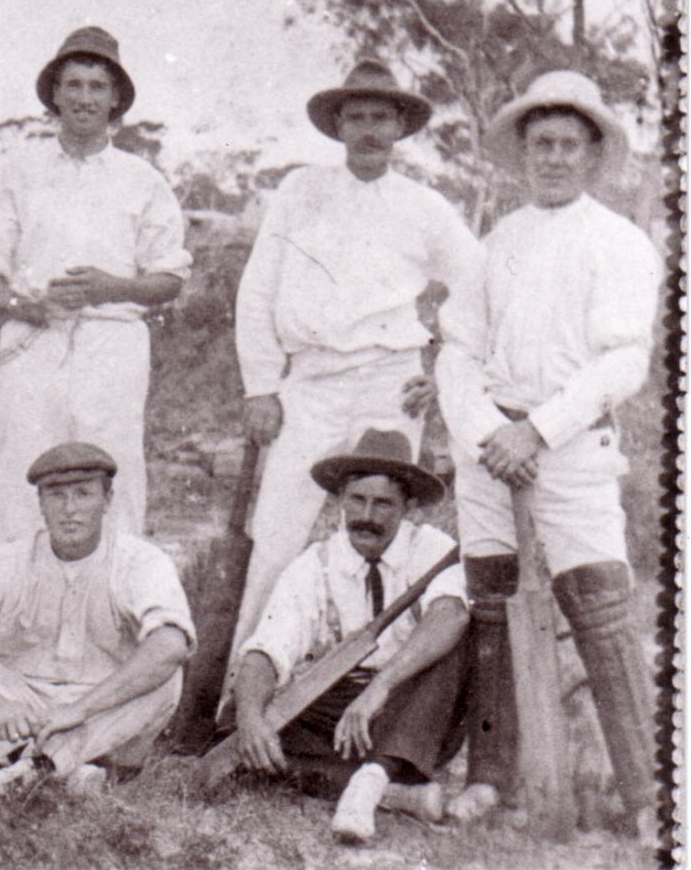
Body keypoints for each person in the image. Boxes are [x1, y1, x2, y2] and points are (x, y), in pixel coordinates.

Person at [435, 71, 661, 843]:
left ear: (593, 155)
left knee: (599, 605)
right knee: (492, 605)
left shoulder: (620, 242)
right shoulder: (496, 242)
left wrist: (539, 429)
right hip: (491, 453)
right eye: (541, 145)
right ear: (522, 154)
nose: (555, 158)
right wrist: (484, 434)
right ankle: (493, 780)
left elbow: (623, 360)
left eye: (569, 145)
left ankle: (646, 793)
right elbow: (457, 350)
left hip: (568, 450)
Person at [230, 59, 481, 653]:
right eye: (356, 117)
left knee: (384, 536)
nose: (368, 130)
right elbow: (258, 288)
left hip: (389, 382)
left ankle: (377, 682)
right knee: (275, 536)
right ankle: (238, 693)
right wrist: (261, 386)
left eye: (381, 118)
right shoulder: (301, 191)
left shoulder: (425, 207)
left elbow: (482, 289)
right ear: (338, 126)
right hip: (310, 381)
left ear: (399, 127)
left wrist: (445, 371)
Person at [0, 27, 191, 545]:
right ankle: (18, 607)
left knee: (112, 469)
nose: (85, 98)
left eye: (97, 86)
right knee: (22, 469)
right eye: (73, 85)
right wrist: (30, 306)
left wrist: (113, 287)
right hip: (33, 341)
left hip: (112, 343)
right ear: (55, 95)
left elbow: (169, 279)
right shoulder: (18, 174)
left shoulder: (142, 180)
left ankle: (114, 604)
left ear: (115, 99)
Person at [0, 442, 193, 806]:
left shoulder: (140, 561)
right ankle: (65, 771)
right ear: (40, 503)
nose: (70, 510)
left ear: (107, 500)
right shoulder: (8, 560)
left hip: (103, 707)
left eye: (84, 494)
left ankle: (26, 768)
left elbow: (170, 645)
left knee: (166, 672)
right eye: (56, 496)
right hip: (18, 706)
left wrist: (79, 710)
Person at [230, 428, 468, 844]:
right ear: (340, 499)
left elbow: (448, 616)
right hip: (342, 717)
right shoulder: (315, 565)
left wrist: (382, 686)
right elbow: (267, 648)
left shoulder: (432, 549)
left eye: (383, 504)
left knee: (454, 648)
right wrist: (251, 716)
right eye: (357, 500)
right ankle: (389, 792)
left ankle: (374, 777)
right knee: (241, 726)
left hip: (410, 706)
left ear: (409, 506)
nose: (367, 517)